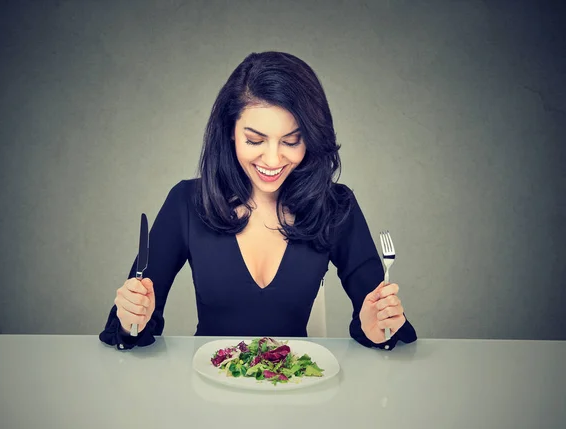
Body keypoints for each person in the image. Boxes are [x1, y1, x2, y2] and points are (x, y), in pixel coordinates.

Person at [99, 51, 417, 351]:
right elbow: (133, 324)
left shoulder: (335, 206)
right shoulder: (187, 202)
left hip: (296, 389)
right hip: (209, 391)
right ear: (231, 132)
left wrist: (377, 328)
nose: (273, 158)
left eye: (291, 141)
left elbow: (377, 316)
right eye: (255, 140)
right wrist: (131, 321)